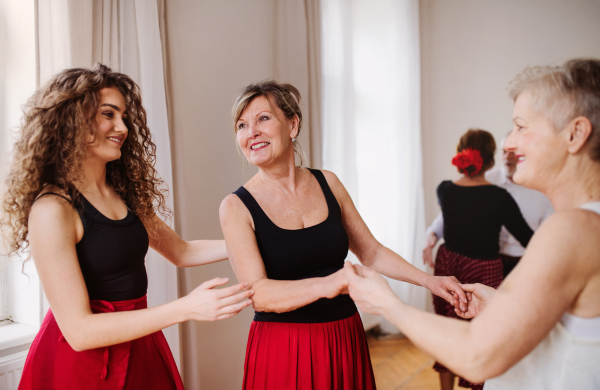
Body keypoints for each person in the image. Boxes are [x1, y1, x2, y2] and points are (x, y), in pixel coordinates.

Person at [345, 58, 600, 389]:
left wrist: (386, 303)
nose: (508, 143)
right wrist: (498, 303)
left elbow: (477, 357)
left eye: (521, 126)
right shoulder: (584, 227)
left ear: (575, 134)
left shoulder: (573, 230)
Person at [0, 64, 253, 390]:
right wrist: (185, 308)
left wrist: (256, 235)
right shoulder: (52, 210)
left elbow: (182, 251)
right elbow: (78, 332)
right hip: (82, 368)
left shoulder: (126, 193)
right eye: (109, 114)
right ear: (73, 120)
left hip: (140, 346)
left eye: (123, 116)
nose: (122, 127)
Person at [219, 80, 468, 390]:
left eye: (263, 118)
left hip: (343, 335)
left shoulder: (329, 183)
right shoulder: (235, 207)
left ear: (292, 124)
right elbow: (258, 293)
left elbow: (372, 252)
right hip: (284, 346)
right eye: (241, 125)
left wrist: (429, 280)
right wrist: (332, 283)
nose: (251, 132)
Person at [427, 129, 534, 390]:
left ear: (460, 154)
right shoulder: (500, 198)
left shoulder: (445, 190)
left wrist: (430, 238)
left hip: (447, 266)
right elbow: (528, 238)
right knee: (484, 337)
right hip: (483, 272)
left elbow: (451, 220)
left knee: (447, 333)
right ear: (490, 161)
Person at [423, 137, 553, 277]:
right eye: (504, 151)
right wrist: (433, 233)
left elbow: (546, 232)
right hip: (487, 263)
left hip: (524, 263)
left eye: (514, 152)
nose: (507, 157)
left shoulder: (543, 190)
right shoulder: (486, 180)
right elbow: (450, 214)